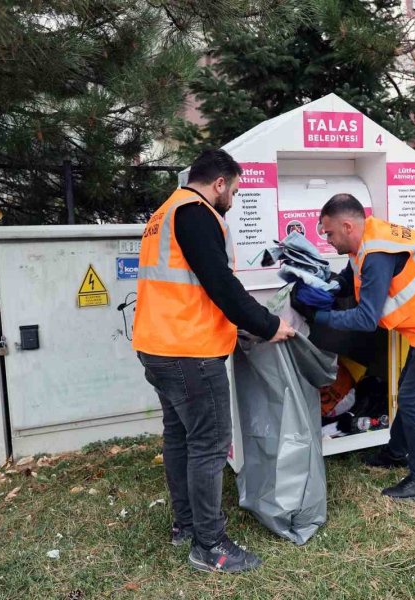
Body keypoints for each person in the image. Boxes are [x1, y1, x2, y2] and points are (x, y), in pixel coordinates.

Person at [132, 149, 295, 573]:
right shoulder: (196, 212)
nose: (234, 200)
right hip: (189, 353)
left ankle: (186, 525)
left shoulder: (164, 213)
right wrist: (266, 323)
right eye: (235, 191)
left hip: (159, 345)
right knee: (209, 444)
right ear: (219, 183)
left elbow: (190, 288)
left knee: (180, 437)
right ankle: (210, 545)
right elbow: (221, 283)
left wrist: (236, 324)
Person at [294, 194, 415, 501]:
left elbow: (368, 318)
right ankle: (396, 453)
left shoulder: (377, 253)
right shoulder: (367, 238)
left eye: (329, 233)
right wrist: (329, 287)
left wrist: (320, 317)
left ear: (347, 226)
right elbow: (351, 274)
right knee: (408, 390)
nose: (327, 240)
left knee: (412, 399)